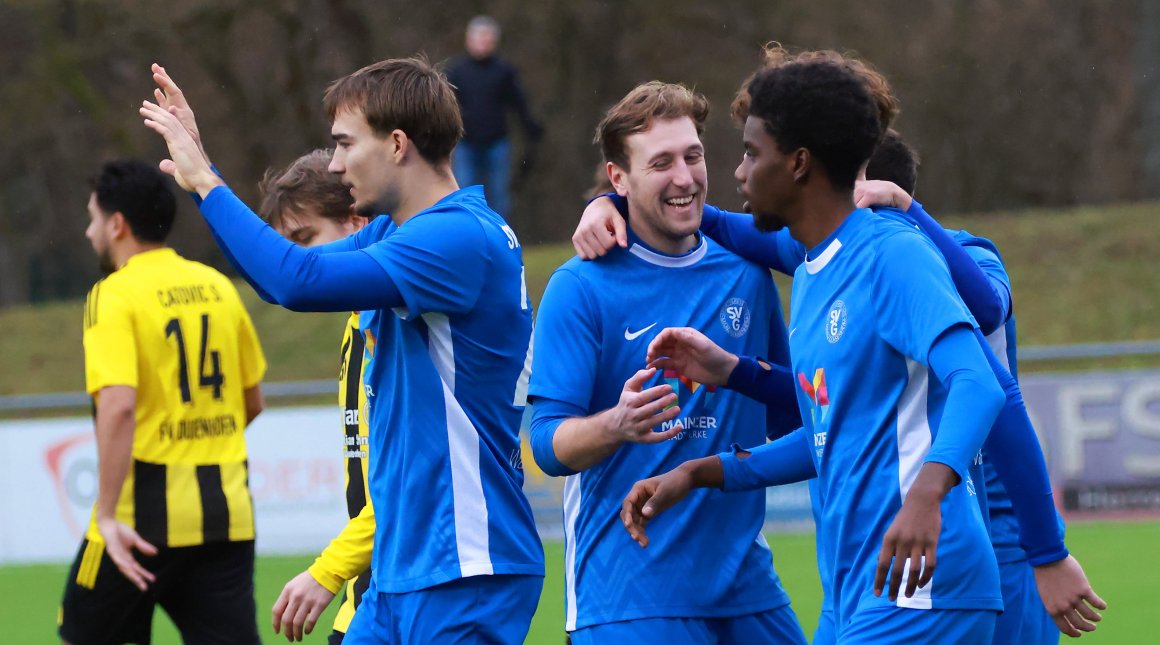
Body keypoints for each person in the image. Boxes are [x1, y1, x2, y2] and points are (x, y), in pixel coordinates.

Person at [577, 48, 1105, 642]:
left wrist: (932, 497)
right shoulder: (812, 271)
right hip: (860, 582)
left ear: (799, 163)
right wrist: (702, 471)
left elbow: (983, 384)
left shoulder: (891, 253)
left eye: (752, 153)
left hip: (925, 583)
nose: (737, 173)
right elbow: (834, 434)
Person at [141, 56, 543, 644]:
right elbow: (285, 274)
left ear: (398, 144)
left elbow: (296, 282)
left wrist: (207, 181)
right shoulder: (403, 232)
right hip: (404, 573)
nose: (334, 163)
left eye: (344, 143)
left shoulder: (457, 236)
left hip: (466, 568)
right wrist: (206, 174)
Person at [528, 81, 807, 644]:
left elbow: (794, 410)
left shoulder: (747, 273)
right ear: (618, 179)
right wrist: (616, 424)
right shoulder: (580, 287)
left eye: (693, 156)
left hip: (748, 589)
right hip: (631, 596)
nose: (684, 177)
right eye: (661, 163)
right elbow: (544, 445)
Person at [59, 159, 266, 644]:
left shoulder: (113, 295)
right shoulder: (219, 287)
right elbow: (251, 401)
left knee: (82, 634)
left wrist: (107, 515)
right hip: (226, 517)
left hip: (138, 520)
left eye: (93, 218)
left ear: (116, 223)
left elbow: (118, 407)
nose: (91, 233)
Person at [257, 149, 374, 644]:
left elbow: (412, 480)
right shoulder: (355, 324)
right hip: (366, 599)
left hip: (415, 597)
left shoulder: (392, 327)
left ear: (356, 221)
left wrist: (327, 570)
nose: (298, 264)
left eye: (305, 241)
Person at [446, 15, 543, 218]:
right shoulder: (457, 71)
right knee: (464, 195)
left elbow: (518, 103)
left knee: (500, 197)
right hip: (466, 143)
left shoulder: (504, 72)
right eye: (479, 38)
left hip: (497, 143)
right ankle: (466, 238)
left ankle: (501, 239)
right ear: (468, 40)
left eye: (487, 38)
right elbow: (446, 107)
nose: (483, 43)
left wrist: (530, 127)